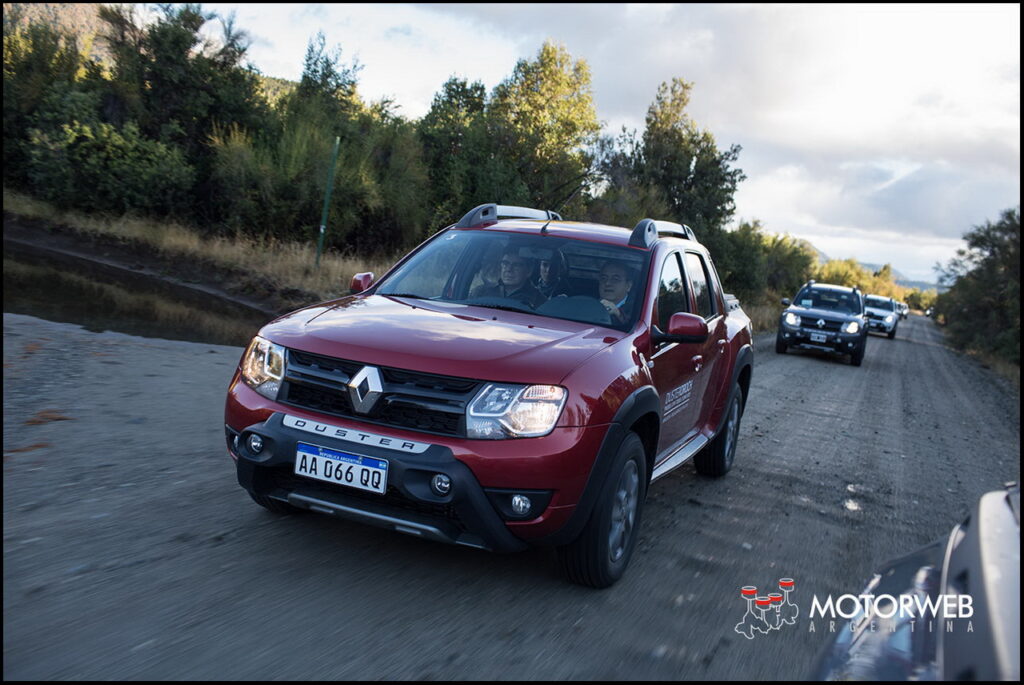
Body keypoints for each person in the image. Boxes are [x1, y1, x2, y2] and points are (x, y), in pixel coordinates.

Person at [471, 247, 546, 309]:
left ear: (529, 271)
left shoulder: (538, 301)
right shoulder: (480, 292)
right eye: (505, 263)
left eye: (516, 265)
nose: (509, 269)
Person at [597, 259, 635, 324]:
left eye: (615, 279)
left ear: (628, 286)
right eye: (604, 278)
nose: (607, 283)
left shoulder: (637, 310)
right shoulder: (588, 304)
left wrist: (619, 314)